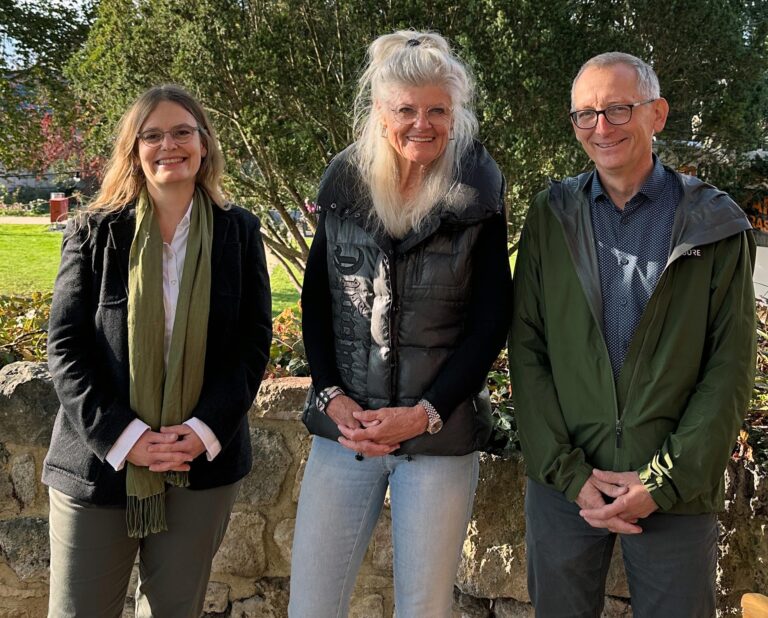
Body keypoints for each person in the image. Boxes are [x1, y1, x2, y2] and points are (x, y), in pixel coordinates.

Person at [510, 52, 756, 617]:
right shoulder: (551, 216)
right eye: (585, 115)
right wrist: (569, 473)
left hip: (674, 490)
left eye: (619, 109)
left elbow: (729, 367)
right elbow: (527, 349)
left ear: (658, 114)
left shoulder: (715, 225)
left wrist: (663, 481)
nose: (602, 128)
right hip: (566, 488)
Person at [289, 30, 512, 617]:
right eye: (406, 110)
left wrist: (425, 412)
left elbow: (492, 319)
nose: (423, 124)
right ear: (380, 112)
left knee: (423, 607)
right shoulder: (345, 180)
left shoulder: (478, 190)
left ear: (456, 113)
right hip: (346, 433)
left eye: (438, 110)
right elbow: (318, 298)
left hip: (437, 438)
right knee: (312, 602)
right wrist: (331, 395)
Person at [44, 84, 272, 618]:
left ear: (204, 144)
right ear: (134, 149)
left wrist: (199, 433)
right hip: (98, 463)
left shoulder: (239, 233)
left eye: (182, 132)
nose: (168, 144)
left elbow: (250, 345)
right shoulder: (93, 232)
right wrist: (128, 440)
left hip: (200, 465)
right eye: (152, 135)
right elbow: (67, 347)